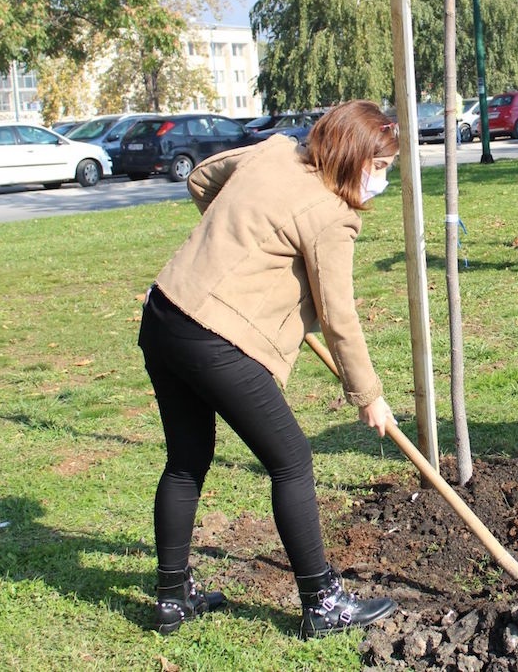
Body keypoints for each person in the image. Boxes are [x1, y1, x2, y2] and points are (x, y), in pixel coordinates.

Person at [138, 100, 400, 638]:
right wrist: (368, 394)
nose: (383, 179)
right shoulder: (332, 215)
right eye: (380, 167)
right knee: (291, 460)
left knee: (186, 461)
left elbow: (201, 178)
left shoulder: (273, 153)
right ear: (353, 157)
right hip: (214, 340)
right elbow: (339, 316)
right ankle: (322, 604)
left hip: (165, 314)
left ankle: (172, 597)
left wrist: (241, 243)